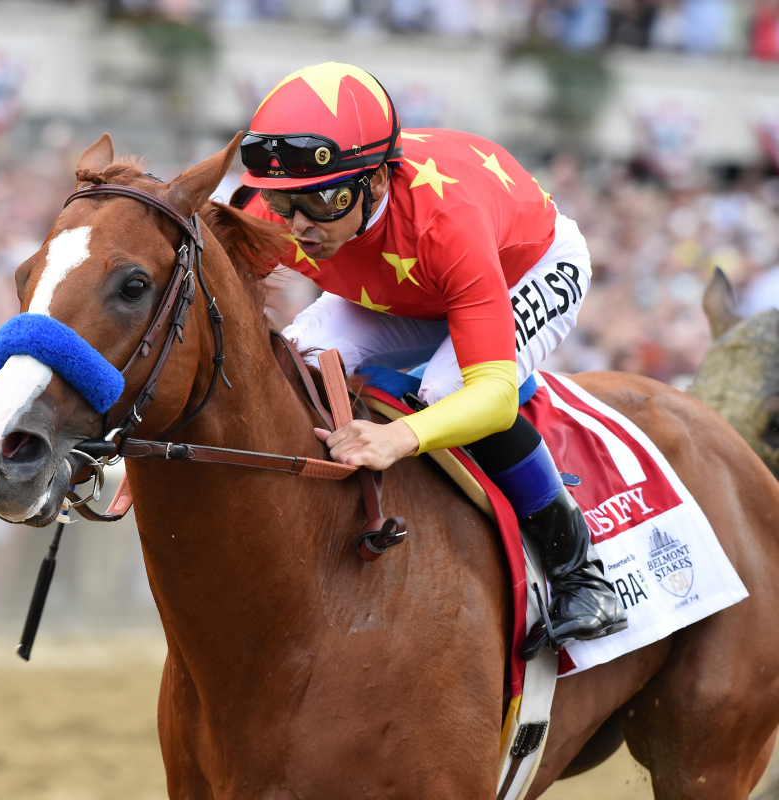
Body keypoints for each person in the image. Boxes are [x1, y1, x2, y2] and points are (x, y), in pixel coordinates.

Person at [235, 62, 626, 659]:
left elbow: (491, 398)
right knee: (298, 358)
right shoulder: (273, 213)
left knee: (447, 392)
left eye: (322, 201)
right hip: (407, 287)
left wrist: (399, 439)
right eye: (283, 204)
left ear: (372, 182)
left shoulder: (445, 221)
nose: (298, 227)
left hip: (522, 266)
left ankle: (581, 572)